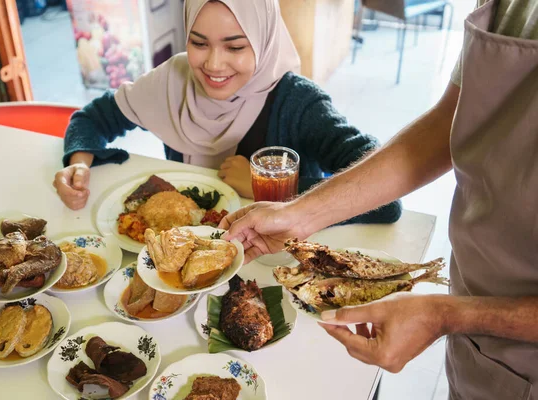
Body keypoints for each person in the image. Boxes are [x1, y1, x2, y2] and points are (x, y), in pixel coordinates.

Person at [221, 0, 538, 398]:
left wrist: (446, 314)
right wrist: (299, 215)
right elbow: (447, 124)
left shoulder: (297, 101)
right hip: (480, 334)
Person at [52, 0, 401, 225]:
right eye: (198, 43)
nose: (213, 64)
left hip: (272, 267)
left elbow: (386, 198)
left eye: (235, 46)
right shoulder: (174, 80)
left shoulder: (297, 102)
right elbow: (92, 119)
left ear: (264, 42)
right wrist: (79, 163)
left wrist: (268, 189)